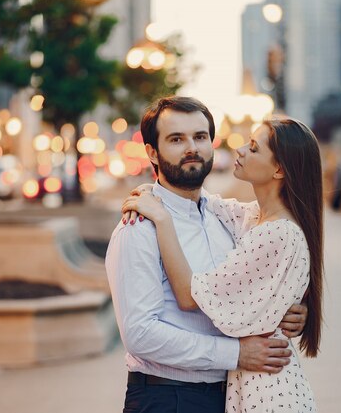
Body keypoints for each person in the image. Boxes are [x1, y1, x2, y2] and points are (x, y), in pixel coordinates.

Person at [105, 96, 309, 413]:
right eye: (176, 139)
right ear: (152, 153)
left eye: (200, 137)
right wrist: (236, 354)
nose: (192, 148)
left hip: (231, 395)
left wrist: (290, 310)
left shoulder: (229, 220)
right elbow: (140, 334)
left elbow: (260, 278)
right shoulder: (139, 228)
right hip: (168, 398)